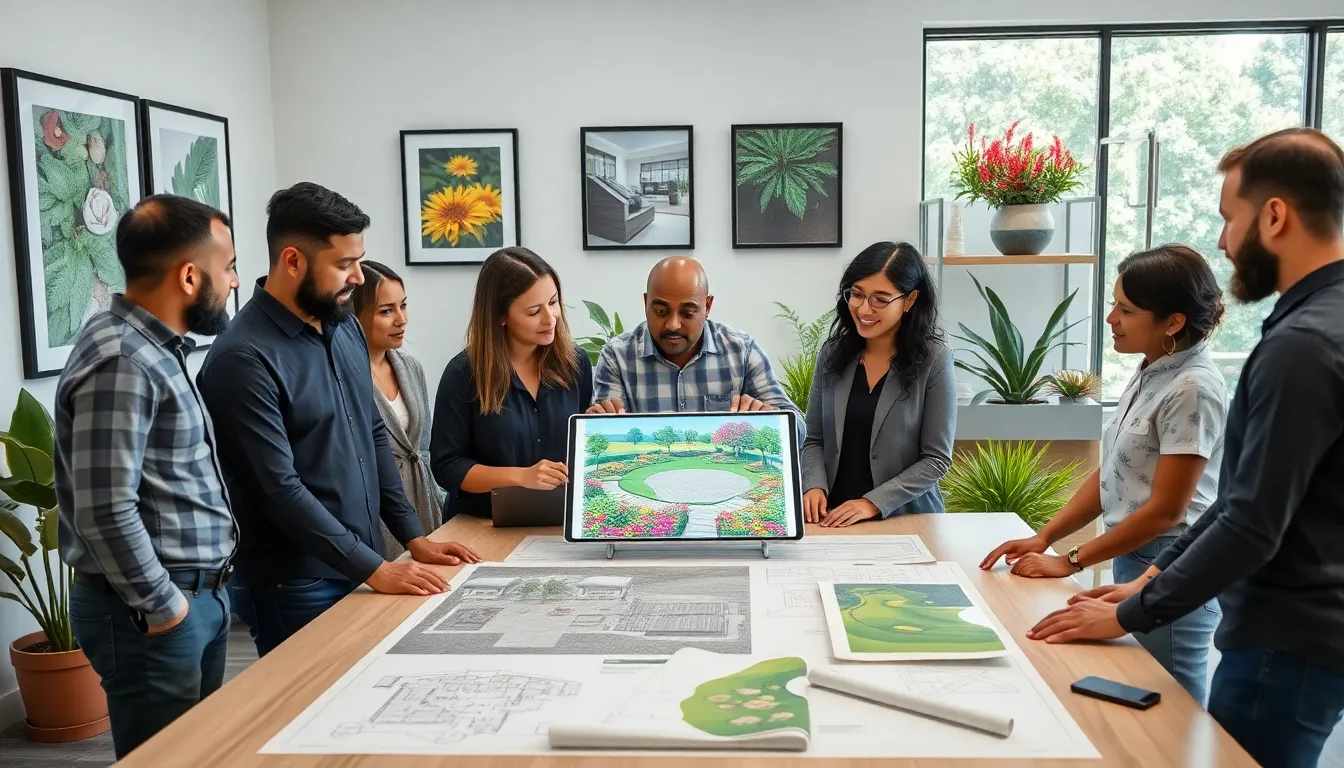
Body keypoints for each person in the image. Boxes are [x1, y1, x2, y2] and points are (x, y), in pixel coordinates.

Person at [1028, 128, 1344, 768]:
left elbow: (1248, 521)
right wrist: (1148, 580)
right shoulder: (1318, 322)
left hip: (1288, 636)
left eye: (1230, 218)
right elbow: (1238, 506)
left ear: (1275, 215)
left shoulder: (1301, 345)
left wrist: (1135, 606)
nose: (1224, 242)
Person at [198, 182, 479, 657]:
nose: (358, 278)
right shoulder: (241, 358)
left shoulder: (343, 323)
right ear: (293, 261)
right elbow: (278, 489)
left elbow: (372, 432)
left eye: (359, 261)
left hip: (363, 562)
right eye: (344, 265)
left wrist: (413, 537)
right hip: (296, 582)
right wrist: (375, 568)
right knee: (304, 713)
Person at [982, 244, 1228, 704]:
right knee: (1133, 694)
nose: (1111, 318)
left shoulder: (1193, 388)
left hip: (1170, 561)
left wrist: (1070, 561)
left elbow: (1165, 511)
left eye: (1126, 309)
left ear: (1173, 323)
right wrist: (1045, 537)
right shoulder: (1151, 368)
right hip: (1134, 554)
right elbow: (1113, 470)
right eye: (1114, 304)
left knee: (1168, 706)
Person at [55, 194, 239, 758]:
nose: (233, 281)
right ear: (189, 276)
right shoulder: (124, 359)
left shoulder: (155, 348)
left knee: (196, 754)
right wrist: (164, 608)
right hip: (152, 610)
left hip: (189, 599)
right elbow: (106, 506)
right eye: (227, 267)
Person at [800, 242, 955, 528]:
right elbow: (813, 439)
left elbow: (936, 459)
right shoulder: (833, 353)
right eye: (856, 294)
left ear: (909, 300)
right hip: (832, 519)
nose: (863, 308)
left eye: (880, 299)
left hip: (908, 519)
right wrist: (813, 486)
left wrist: (873, 502)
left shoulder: (934, 359)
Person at [430, 247, 592, 518]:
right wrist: (521, 477)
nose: (550, 318)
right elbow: (447, 467)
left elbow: (583, 451)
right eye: (533, 311)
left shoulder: (576, 363)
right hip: (481, 524)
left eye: (553, 303)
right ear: (501, 316)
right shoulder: (463, 374)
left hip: (558, 522)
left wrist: (599, 420)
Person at [588, 256, 803, 436]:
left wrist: (772, 420)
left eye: (687, 313)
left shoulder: (741, 351)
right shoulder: (618, 356)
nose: (673, 324)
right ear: (646, 303)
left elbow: (800, 431)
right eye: (661, 311)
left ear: (707, 306)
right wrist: (597, 426)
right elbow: (603, 433)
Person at [352, 260, 444, 555]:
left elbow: (424, 448)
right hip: (374, 516)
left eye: (403, 306)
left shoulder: (410, 367)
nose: (401, 319)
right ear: (354, 315)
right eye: (386, 311)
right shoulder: (345, 375)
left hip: (424, 509)